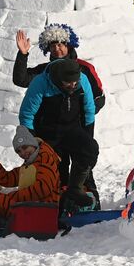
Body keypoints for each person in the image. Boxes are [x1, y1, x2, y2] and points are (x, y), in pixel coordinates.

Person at [19, 57, 99, 213]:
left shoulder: (81, 79)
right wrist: (33, 142)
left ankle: (75, 188)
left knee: (90, 149)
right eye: (68, 83)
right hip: (46, 132)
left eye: (75, 83)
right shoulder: (41, 83)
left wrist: (88, 136)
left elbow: (89, 109)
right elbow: (26, 115)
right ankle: (55, 204)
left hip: (72, 128)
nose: (73, 86)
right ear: (57, 79)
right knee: (55, 169)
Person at [0, 126, 63, 231]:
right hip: (32, 207)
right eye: (19, 151)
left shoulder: (45, 159)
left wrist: (12, 196)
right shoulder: (31, 163)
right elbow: (7, 179)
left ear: (33, 144)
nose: (23, 153)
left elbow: (42, 188)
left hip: (43, 211)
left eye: (25, 147)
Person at [12, 23, 106, 108]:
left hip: (76, 125)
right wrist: (22, 54)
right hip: (48, 125)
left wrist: (81, 117)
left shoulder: (85, 68)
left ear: (68, 45)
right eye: (52, 46)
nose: (56, 49)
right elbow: (21, 80)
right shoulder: (44, 70)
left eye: (60, 44)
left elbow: (99, 98)